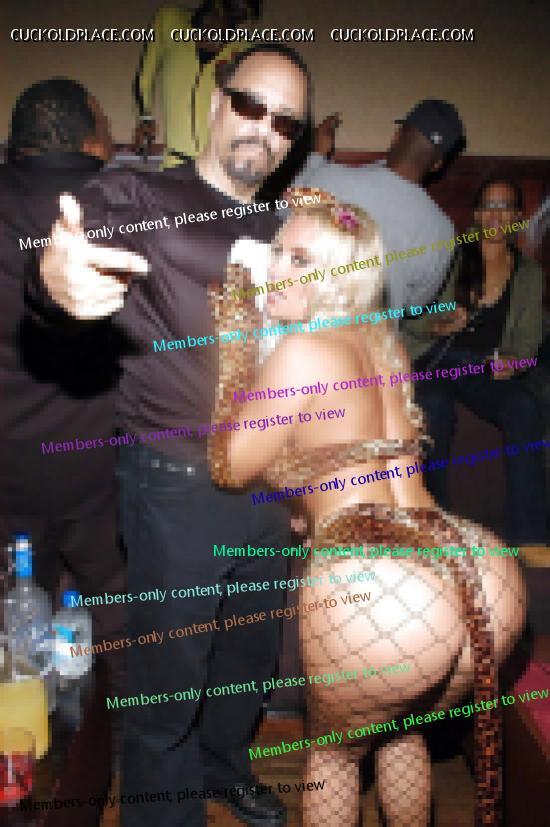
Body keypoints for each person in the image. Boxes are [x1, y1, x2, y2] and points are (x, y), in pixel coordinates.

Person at [36, 45, 311, 827]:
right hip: (175, 483)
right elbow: (68, 254)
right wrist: (56, 281)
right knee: (169, 680)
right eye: (251, 104)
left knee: (247, 657)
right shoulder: (141, 192)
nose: (264, 127)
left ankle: (225, 766)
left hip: (271, 484)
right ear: (217, 104)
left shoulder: (290, 226)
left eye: (285, 120)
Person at [206, 190, 525, 827]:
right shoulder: (385, 345)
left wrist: (235, 351)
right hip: (475, 563)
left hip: (379, 588)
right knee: (401, 732)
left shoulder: (302, 352)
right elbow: (348, 454)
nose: (273, 269)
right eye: (277, 251)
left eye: (298, 259)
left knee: (333, 756)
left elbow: (229, 465)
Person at [0, 77, 125, 826]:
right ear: (90, 133)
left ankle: (23, 777)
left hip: (7, 468)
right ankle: (123, 760)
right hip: (96, 469)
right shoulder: (119, 203)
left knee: (17, 636)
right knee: (121, 624)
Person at [402, 176, 546, 545]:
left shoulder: (529, 275)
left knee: (524, 407)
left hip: (483, 367)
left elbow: (527, 341)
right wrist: (440, 324)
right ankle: (436, 524)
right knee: (434, 407)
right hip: (436, 358)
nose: (497, 214)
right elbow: (411, 318)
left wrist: (514, 361)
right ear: (477, 214)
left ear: (517, 216)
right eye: (489, 206)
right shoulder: (450, 257)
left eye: (506, 206)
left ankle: (528, 535)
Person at [291, 99, 463, 309]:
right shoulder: (443, 231)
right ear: (437, 164)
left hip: (309, 323)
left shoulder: (329, 178)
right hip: (379, 329)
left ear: (396, 136)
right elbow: (414, 305)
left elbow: (282, 217)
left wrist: (317, 156)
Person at [134, 0, 261, 166]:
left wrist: (231, 88)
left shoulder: (243, 47)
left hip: (219, 166)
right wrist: (145, 117)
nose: (231, 22)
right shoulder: (170, 20)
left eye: (241, 17)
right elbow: (144, 78)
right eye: (229, 9)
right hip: (175, 162)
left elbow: (250, 108)